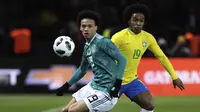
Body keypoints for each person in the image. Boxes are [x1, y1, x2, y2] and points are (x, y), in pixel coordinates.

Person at [111, 4, 185, 112]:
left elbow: (162, 56)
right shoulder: (118, 37)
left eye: (141, 21)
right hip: (114, 81)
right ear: (128, 21)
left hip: (132, 81)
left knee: (149, 105)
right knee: (101, 108)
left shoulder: (148, 38)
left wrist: (174, 76)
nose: (138, 23)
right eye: (135, 20)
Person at [55, 10, 127, 112]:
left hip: (106, 92)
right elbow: (82, 70)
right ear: (80, 28)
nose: (86, 29)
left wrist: (117, 84)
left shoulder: (104, 42)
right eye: (83, 26)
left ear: (96, 27)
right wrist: (66, 85)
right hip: (93, 86)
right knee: (65, 110)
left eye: (90, 26)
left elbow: (122, 60)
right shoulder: (87, 46)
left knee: (73, 110)